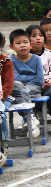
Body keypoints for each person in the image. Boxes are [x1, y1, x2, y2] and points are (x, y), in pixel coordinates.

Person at [9, 29, 43, 138]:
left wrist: (22, 81)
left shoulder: (37, 59)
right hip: (19, 89)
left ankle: (27, 119)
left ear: (31, 44)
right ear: (11, 47)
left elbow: (39, 80)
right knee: (17, 86)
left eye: (25, 42)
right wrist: (31, 77)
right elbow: (14, 78)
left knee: (20, 91)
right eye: (18, 43)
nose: (22, 45)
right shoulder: (11, 60)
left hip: (33, 89)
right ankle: (32, 120)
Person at [0, 31, 12, 164]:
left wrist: (1, 98)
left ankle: (3, 145)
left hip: (4, 97)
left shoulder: (5, 62)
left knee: (0, 113)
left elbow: (8, 85)